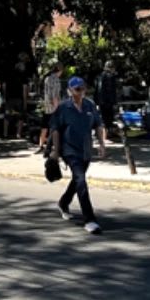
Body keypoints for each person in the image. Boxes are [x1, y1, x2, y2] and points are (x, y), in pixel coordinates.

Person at [48, 75, 110, 233]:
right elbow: (55, 129)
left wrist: (102, 144)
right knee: (81, 180)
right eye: (77, 89)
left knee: (77, 181)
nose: (81, 91)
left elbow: (98, 125)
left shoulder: (89, 106)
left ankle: (63, 202)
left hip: (86, 150)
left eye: (83, 88)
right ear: (70, 91)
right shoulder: (63, 108)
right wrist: (55, 151)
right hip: (69, 150)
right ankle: (89, 219)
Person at [39, 65, 67, 151]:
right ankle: (54, 146)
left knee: (44, 126)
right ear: (59, 70)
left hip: (46, 106)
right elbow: (55, 95)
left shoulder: (47, 78)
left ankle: (41, 144)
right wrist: (56, 107)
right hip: (53, 107)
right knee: (54, 128)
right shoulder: (56, 80)